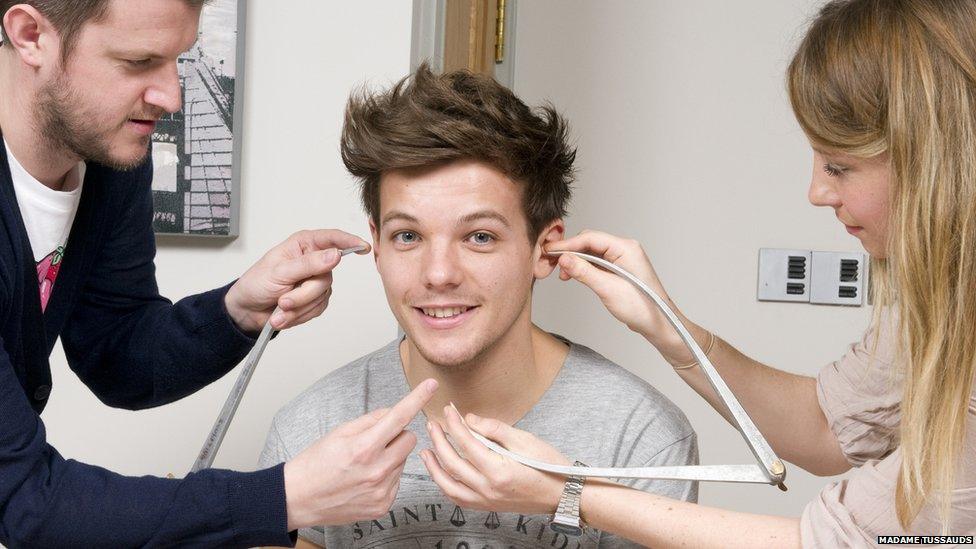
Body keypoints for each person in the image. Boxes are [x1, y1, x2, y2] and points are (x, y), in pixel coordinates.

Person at [421, 0, 976, 547]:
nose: (817, 192)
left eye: (839, 166)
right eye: (407, 235)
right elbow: (828, 428)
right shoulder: (955, 307)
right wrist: (668, 326)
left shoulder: (642, 433)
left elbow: (840, 544)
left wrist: (568, 492)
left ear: (936, 157)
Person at [0, 1, 436, 547]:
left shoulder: (106, 156)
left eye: (178, 61)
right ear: (29, 35)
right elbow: (28, 505)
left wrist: (238, 310)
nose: (171, 97)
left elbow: (117, 358)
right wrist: (286, 497)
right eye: (139, 61)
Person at [258, 65, 699, 548]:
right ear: (377, 247)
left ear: (545, 249)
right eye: (408, 235)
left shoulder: (640, 437)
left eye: (479, 237)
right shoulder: (312, 427)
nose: (439, 272)